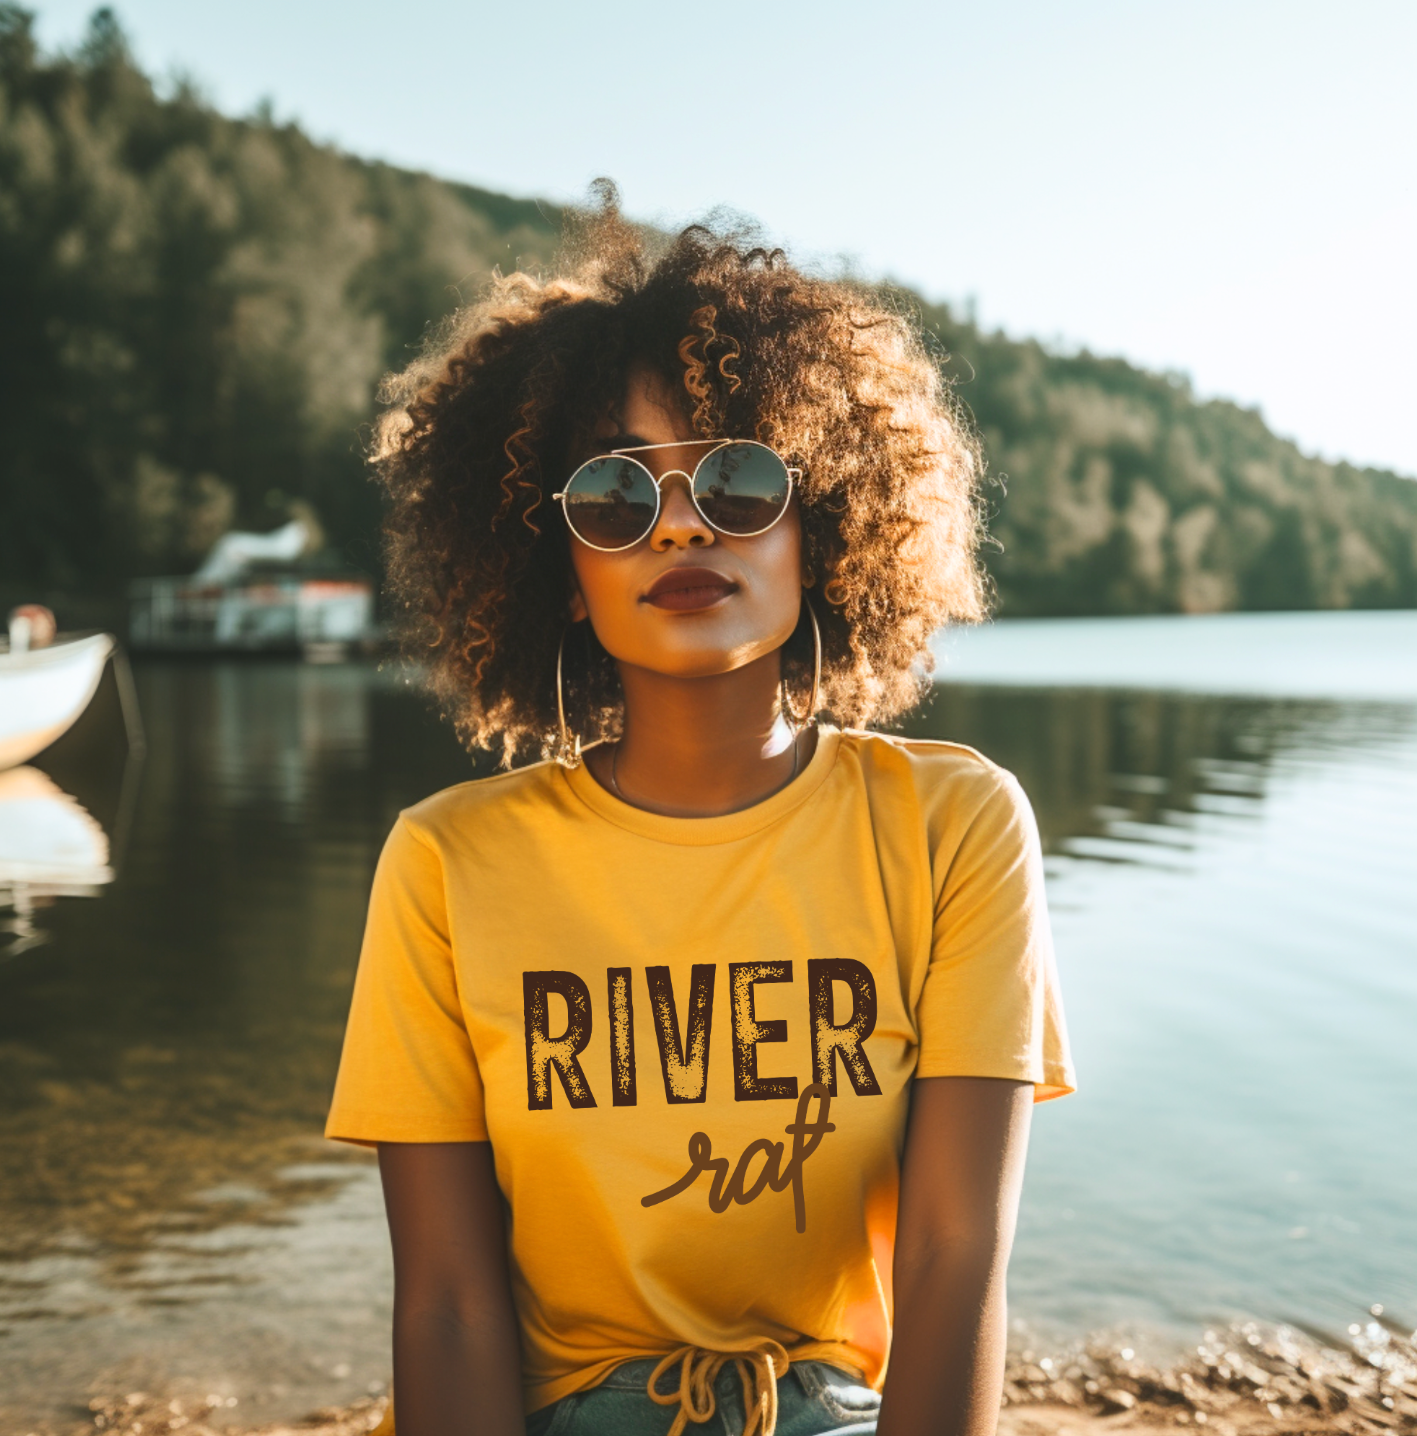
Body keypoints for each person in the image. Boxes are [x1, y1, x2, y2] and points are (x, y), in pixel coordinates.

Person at [326, 192, 1075, 1436]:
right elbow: (448, 1303)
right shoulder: (448, 860)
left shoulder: (956, 824)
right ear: (560, 571)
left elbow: (954, 1254)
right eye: (615, 497)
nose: (677, 519)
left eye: (734, 478)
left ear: (816, 527)